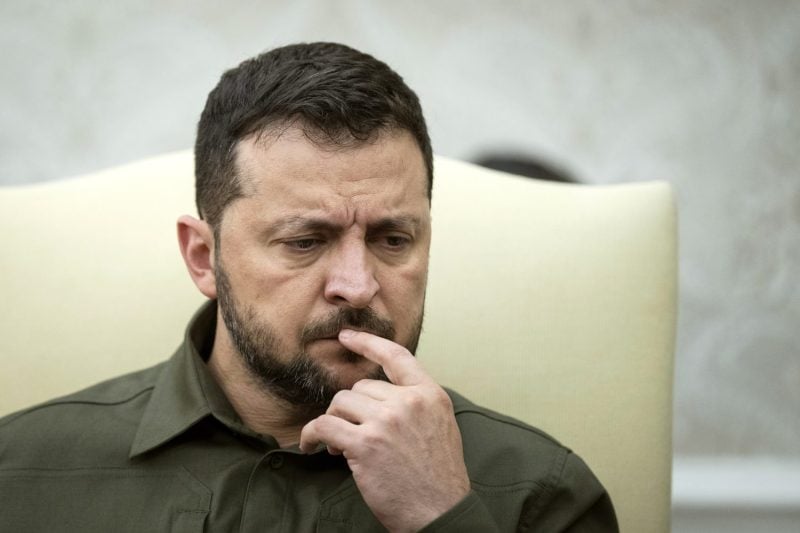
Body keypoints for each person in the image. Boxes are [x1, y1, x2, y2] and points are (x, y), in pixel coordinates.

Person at [0, 42, 618, 532]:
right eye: (305, 241)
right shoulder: (22, 472)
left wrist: (443, 517)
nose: (356, 285)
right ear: (203, 257)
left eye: (392, 240)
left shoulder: (541, 494)